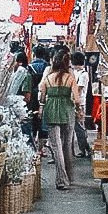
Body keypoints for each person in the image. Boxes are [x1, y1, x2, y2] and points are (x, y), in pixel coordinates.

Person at [39, 49, 83, 190]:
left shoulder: (47, 79)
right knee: (66, 145)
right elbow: (77, 99)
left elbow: (42, 98)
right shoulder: (70, 78)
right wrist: (78, 109)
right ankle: (68, 176)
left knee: (56, 147)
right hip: (67, 111)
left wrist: (41, 107)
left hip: (51, 111)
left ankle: (61, 180)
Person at [27, 45, 50, 153]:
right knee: (42, 121)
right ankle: (42, 148)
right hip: (44, 95)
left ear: (34, 54)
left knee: (33, 119)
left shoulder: (30, 67)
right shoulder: (47, 67)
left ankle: (33, 147)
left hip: (32, 96)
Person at [70, 51, 92, 158]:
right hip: (75, 103)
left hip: (79, 104)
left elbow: (78, 90)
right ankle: (83, 148)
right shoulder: (75, 72)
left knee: (79, 127)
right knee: (77, 126)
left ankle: (84, 148)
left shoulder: (83, 74)